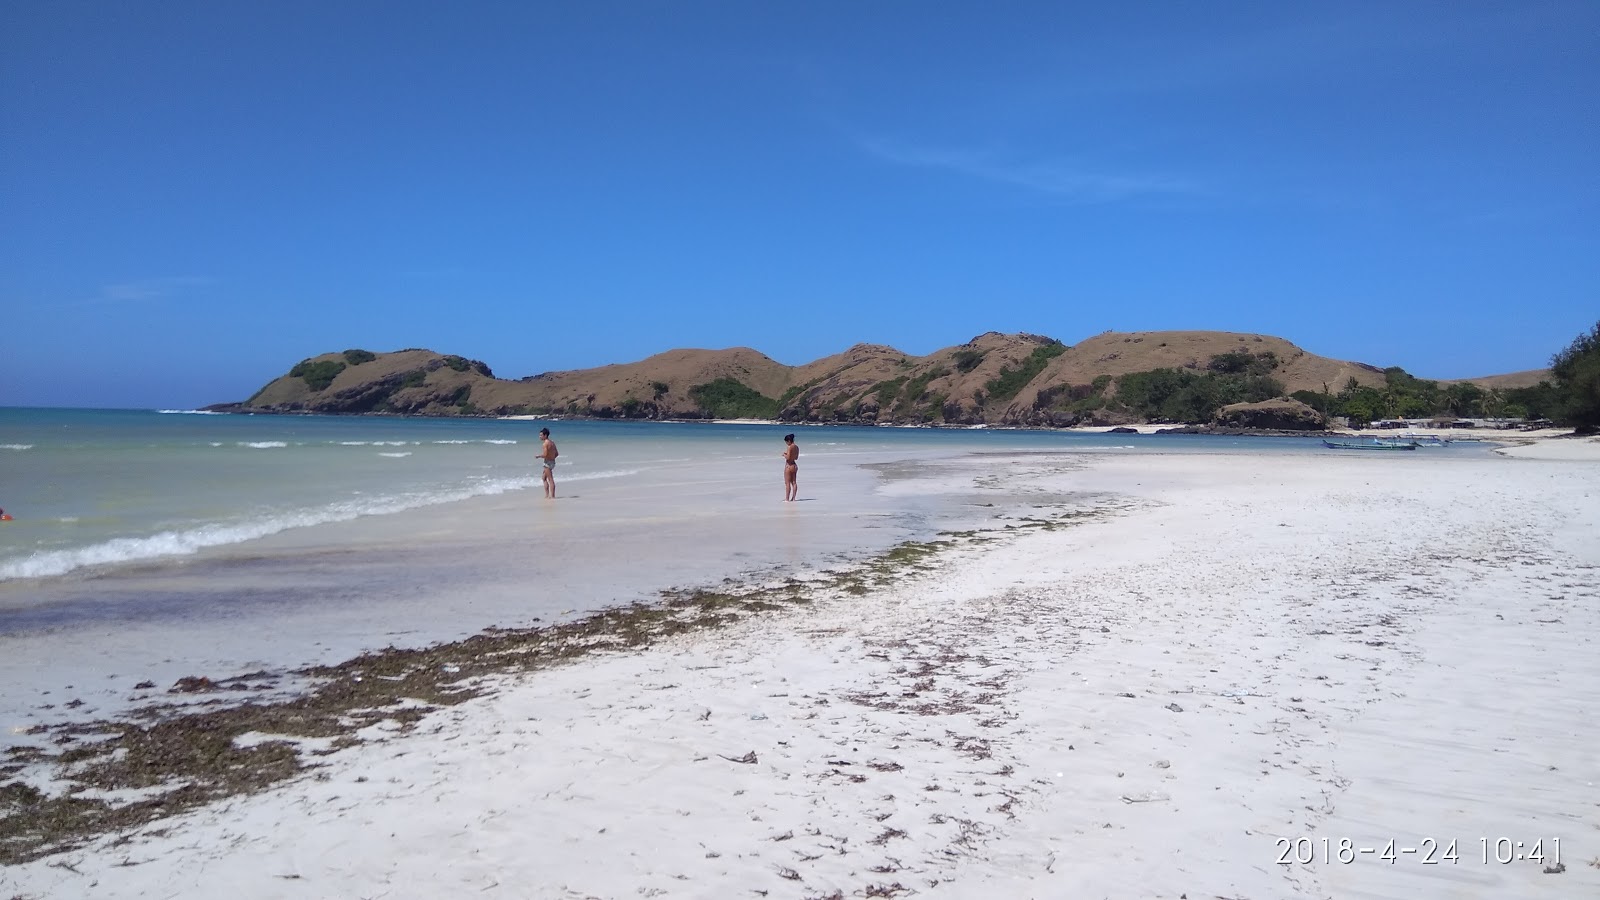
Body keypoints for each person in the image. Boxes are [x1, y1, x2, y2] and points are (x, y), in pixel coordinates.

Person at [538, 428, 558, 499]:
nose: (539, 437)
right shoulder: (552, 442)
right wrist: (552, 458)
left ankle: (552, 496)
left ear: (545, 435)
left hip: (548, 463)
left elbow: (545, 454)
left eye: (541, 435)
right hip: (552, 462)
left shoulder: (545, 444)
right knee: (544, 478)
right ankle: (547, 495)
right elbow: (557, 454)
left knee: (550, 479)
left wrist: (538, 456)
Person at [781, 433, 799, 502]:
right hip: (794, 465)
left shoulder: (789, 447)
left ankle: (787, 499)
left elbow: (788, 458)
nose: (786, 443)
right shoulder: (797, 447)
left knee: (787, 483)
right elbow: (796, 458)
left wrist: (784, 455)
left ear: (788, 441)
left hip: (789, 466)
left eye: (786, 442)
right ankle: (793, 498)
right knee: (794, 482)